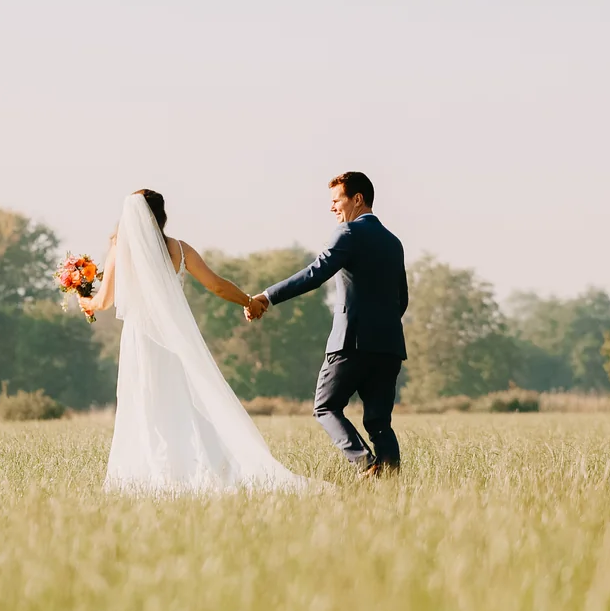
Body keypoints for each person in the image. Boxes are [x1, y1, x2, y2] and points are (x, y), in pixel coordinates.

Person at [79, 190, 311, 493]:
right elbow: (216, 285)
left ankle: (161, 475)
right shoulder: (179, 249)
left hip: (141, 342)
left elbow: (104, 301)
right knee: (184, 401)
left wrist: (85, 301)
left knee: (147, 404)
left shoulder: (121, 251)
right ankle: (199, 467)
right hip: (174, 339)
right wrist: (248, 301)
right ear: (161, 216)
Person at [245, 172, 408, 475]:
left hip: (351, 343)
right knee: (379, 422)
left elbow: (315, 273)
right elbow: (403, 299)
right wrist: (381, 327)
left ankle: (366, 464)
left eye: (336, 200)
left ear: (357, 199)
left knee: (325, 406)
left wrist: (267, 296)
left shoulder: (348, 233)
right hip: (389, 346)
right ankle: (390, 481)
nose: (332, 207)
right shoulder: (393, 242)